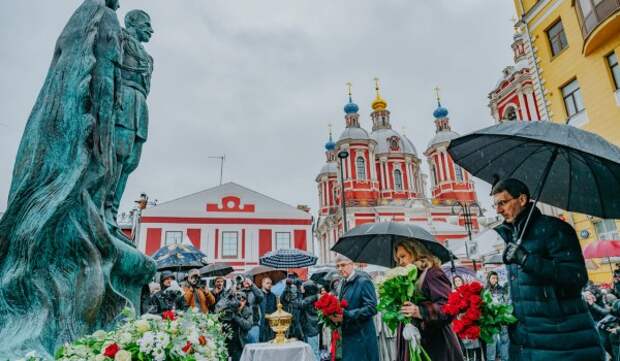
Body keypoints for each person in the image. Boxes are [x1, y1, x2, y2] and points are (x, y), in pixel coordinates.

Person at [492, 178, 604, 361]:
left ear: (522, 199)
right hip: (528, 343)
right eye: (495, 205)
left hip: (563, 340)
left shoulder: (555, 229)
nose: (498, 210)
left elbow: (577, 276)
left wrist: (527, 260)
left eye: (502, 203)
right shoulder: (512, 237)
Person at [395, 239, 464, 361]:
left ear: (415, 252)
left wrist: (420, 311)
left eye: (403, 256)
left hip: (435, 346)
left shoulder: (432, 273)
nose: (400, 262)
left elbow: (448, 307)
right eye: (398, 259)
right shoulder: (407, 280)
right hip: (415, 344)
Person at [329, 254, 379, 361]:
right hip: (348, 336)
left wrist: (346, 314)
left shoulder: (363, 281)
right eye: (337, 266)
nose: (340, 269)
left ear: (352, 264)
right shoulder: (342, 283)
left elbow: (372, 308)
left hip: (362, 336)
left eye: (343, 265)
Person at [215, 290, 253, 361]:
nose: (240, 302)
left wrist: (236, 316)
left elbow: (248, 326)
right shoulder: (227, 308)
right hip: (226, 341)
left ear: (245, 302)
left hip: (239, 342)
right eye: (238, 299)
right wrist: (227, 298)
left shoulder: (247, 311)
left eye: (243, 300)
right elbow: (217, 311)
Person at [485, 271, 509, 361]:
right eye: (492, 278)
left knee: (504, 341)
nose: (495, 280)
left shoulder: (502, 289)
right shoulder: (485, 290)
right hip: (491, 320)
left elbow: (506, 303)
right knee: (491, 342)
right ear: (489, 279)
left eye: (496, 278)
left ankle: (505, 359)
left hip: (502, 318)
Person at [297, 280, 321, 360]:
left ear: (308, 289)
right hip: (310, 329)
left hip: (311, 329)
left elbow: (301, 304)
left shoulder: (310, 299)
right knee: (312, 352)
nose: (302, 289)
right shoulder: (312, 298)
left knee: (313, 351)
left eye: (303, 288)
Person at [239, 277, 264, 344]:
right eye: (244, 280)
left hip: (254, 324)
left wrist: (252, 285)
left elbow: (261, 297)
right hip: (242, 325)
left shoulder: (255, 292)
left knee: (254, 346)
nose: (246, 282)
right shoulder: (239, 292)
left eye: (247, 280)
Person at [259, 277, 277, 342]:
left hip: (271, 324)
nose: (269, 285)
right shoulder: (258, 295)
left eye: (271, 283)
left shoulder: (273, 296)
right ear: (262, 284)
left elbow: (275, 309)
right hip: (261, 323)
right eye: (267, 283)